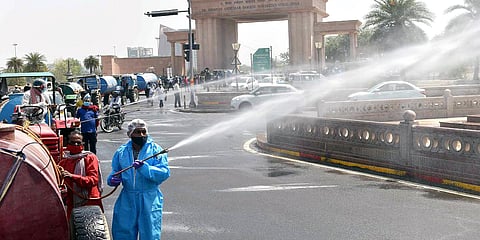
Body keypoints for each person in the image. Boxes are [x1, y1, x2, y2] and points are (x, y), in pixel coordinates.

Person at [107, 119, 170, 240]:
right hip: (127, 197)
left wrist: (145, 169)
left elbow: (164, 173)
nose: (141, 135)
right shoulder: (121, 152)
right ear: (130, 134)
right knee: (123, 231)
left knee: (150, 232)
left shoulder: (156, 151)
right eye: (137, 132)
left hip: (149, 198)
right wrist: (112, 179)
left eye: (143, 132)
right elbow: (116, 170)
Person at [58, 130, 103, 220]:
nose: (75, 145)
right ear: (67, 143)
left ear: (82, 144)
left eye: (78, 143)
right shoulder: (63, 162)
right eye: (73, 142)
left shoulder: (90, 158)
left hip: (90, 201)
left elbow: (93, 180)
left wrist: (72, 177)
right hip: (72, 203)